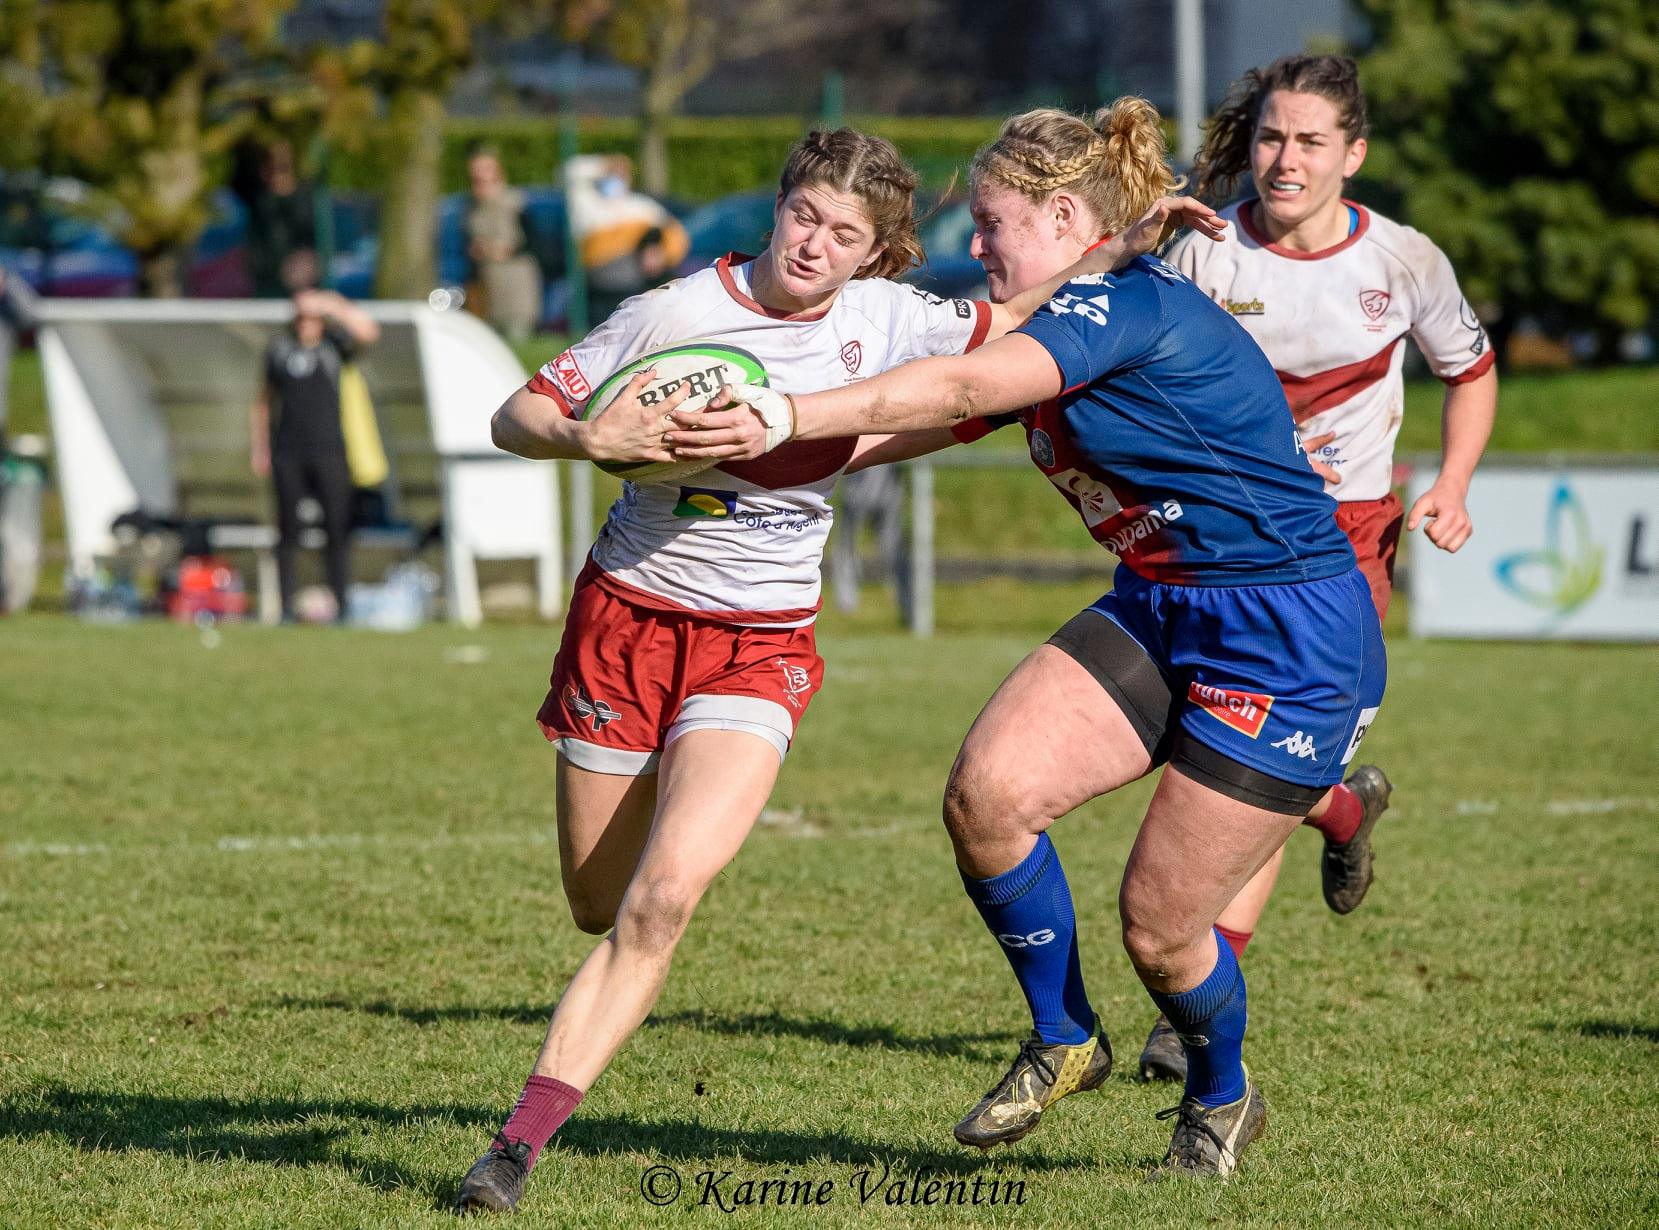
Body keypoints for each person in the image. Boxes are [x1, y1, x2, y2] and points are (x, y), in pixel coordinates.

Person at [449, 127, 1222, 1215]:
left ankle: (514, 1149)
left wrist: (1124, 246)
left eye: (846, 234)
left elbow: (1026, 316)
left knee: (664, 902)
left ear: (876, 251)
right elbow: (515, 413)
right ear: (779, 208)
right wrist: (587, 433)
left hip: (759, 643)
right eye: (805, 216)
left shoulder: (894, 319)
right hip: (623, 622)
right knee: (599, 900)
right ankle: (607, 973)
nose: (816, 245)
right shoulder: (674, 312)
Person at [670, 98, 1386, 1179]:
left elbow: (959, 382)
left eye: (992, 221)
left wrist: (785, 412)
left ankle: (1222, 1097)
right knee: (988, 797)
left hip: (1288, 633)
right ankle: (1066, 1038)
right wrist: (715, 446)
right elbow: (903, 423)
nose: (974, 244)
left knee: (1159, 925)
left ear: (1061, 217)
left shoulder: (1128, 309)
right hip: (1159, 601)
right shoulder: (1060, 316)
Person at [1128, 53, 1497, 1084]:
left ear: (1355, 154)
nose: (1285, 160)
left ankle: (1198, 1001)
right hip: (1216, 539)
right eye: (1272, 137)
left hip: (1344, 542)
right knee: (1248, 760)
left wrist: (1454, 486)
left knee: (1257, 761)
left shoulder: (1404, 261)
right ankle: (1345, 807)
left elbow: (1471, 369)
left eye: (1311, 142)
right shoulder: (1203, 252)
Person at [250, 288, 381, 623]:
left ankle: (343, 605)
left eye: (312, 317)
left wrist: (333, 303)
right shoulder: (279, 350)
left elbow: (369, 331)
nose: (306, 323)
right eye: (301, 316)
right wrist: (261, 449)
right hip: (288, 453)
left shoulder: (335, 348)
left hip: (331, 452)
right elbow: (263, 401)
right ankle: (285, 608)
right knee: (287, 532)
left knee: (337, 530)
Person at [564, 153, 690, 320]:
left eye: (622, 174)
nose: (617, 179)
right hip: (597, 289)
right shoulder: (587, 204)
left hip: (633, 287)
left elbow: (675, 236)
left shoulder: (638, 206)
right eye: (613, 175)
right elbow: (570, 171)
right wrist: (604, 164)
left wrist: (660, 255)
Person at [465, 146, 544, 342]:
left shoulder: (516, 203)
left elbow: (534, 242)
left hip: (515, 286)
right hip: (488, 288)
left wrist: (504, 251)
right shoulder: (472, 208)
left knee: (517, 337)